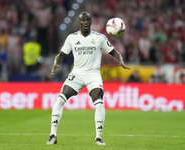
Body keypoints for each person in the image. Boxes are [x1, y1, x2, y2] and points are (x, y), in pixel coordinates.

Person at [46, 12, 130, 146]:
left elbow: (114, 52)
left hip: (93, 74)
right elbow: (61, 54)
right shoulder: (72, 38)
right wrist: (56, 63)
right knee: (60, 99)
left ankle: (98, 138)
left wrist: (120, 61)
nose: (86, 22)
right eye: (83, 20)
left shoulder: (99, 38)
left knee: (99, 102)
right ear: (79, 23)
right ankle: (52, 135)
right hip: (77, 73)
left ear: (91, 22)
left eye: (88, 20)